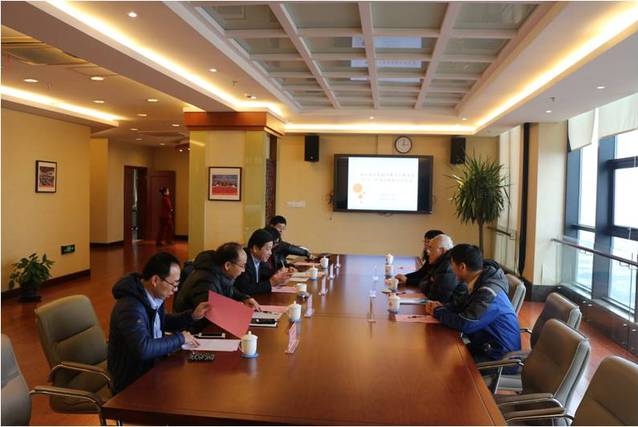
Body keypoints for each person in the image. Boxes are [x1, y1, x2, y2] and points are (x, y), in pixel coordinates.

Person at [107, 252, 209, 393]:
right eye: (173, 284)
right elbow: (143, 349)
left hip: (153, 367)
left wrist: (191, 316)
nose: (175, 290)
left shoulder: (152, 294)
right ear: (155, 280)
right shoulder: (130, 307)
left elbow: (162, 321)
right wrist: (180, 338)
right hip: (132, 381)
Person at [425, 244, 520, 362]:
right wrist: (442, 307)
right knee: (441, 354)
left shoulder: (488, 292)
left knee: (442, 362)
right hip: (484, 346)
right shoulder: (479, 281)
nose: (451, 269)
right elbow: (462, 305)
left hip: (498, 356)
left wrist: (438, 312)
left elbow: (466, 323)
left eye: (452, 264)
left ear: (462, 267)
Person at [173, 243, 262, 331]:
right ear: (227, 265)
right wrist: (238, 311)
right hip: (193, 330)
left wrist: (244, 298)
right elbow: (209, 314)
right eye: (242, 266)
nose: (244, 270)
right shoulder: (206, 281)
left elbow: (229, 288)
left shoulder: (219, 271)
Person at [235, 229, 292, 295]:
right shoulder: (243, 260)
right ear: (255, 248)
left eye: (271, 249)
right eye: (267, 249)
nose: (270, 253)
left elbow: (266, 274)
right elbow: (244, 289)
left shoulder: (260, 260)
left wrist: (280, 276)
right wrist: (271, 283)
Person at [417, 234, 463, 303]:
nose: (428, 252)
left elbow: (435, 297)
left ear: (442, 250)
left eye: (431, 248)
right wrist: (430, 282)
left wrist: (429, 283)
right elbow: (423, 281)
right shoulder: (440, 262)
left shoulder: (447, 266)